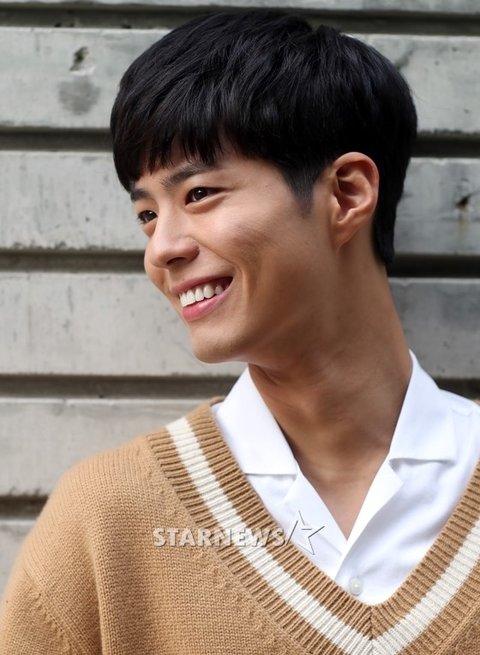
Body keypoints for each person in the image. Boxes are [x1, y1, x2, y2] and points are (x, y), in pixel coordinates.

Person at [2, 10, 480, 654]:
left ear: (346, 194)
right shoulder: (104, 521)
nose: (161, 249)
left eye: (198, 194)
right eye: (147, 214)